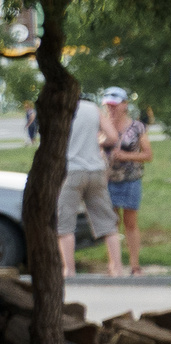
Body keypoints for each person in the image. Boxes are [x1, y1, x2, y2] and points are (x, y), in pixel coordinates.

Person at [56, 90, 122, 278]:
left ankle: (69, 270)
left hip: (71, 170)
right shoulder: (93, 108)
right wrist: (97, 143)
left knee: (65, 222)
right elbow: (112, 137)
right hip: (95, 169)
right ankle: (116, 268)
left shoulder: (60, 110)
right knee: (107, 222)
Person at [101, 87, 149, 276]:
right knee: (111, 223)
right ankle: (114, 265)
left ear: (124, 105)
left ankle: (135, 265)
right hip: (107, 180)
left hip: (130, 179)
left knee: (130, 223)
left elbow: (148, 154)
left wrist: (127, 156)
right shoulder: (101, 125)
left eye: (115, 105)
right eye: (108, 106)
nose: (111, 109)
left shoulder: (137, 127)